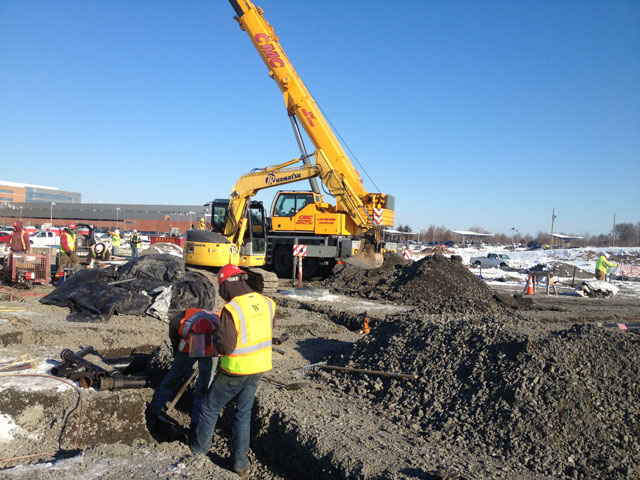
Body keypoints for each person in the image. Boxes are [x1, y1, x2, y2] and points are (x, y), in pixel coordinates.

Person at [191, 264, 275, 477]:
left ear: (227, 284)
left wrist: (215, 344)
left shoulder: (233, 308)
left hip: (235, 369)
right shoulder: (267, 302)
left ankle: (198, 453)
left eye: (221, 287)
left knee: (210, 408)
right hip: (259, 367)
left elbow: (226, 346)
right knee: (243, 413)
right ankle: (240, 464)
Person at [147, 308, 220, 434]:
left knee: (204, 386)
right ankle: (154, 412)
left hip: (210, 349)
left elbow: (227, 344)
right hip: (188, 347)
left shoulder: (222, 324)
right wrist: (176, 351)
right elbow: (173, 330)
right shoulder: (179, 320)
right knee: (174, 377)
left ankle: (196, 425)